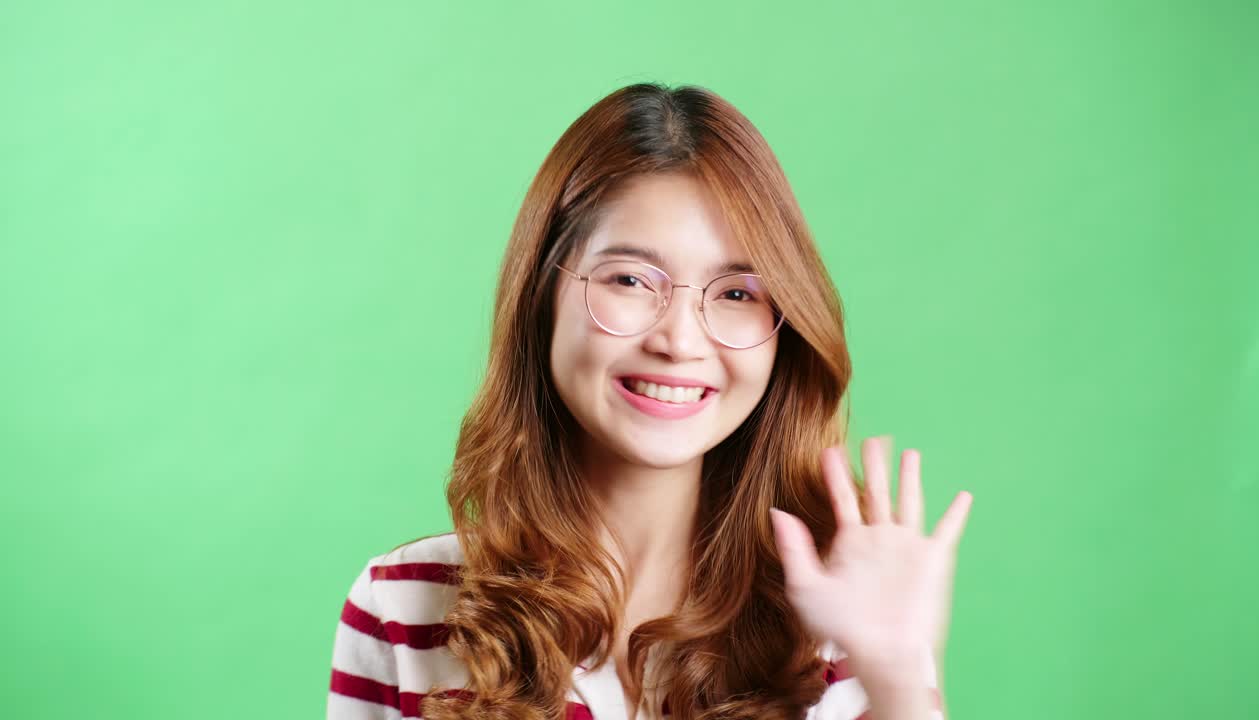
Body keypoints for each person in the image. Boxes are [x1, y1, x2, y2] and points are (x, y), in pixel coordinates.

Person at [326, 82, 973, 720]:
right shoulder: (404, 606)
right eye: (630, 280)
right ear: (543, 293)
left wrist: (898, 686)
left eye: (737, 293)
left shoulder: (847, 617)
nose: (680, 340)